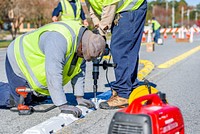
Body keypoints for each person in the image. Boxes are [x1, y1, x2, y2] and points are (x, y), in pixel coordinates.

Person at [0, 20, 106, 118]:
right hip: (18, 58)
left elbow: (79, 71)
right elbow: (53, 73)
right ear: (81, 47)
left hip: (33, 64)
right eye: (83, 54)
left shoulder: (83, 40)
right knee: (18, 100)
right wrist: (63, 105)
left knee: (38, 97)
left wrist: (79, 97)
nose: (82, 57)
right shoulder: (59, 40)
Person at [87, 0, 147, 109]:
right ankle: (130, 86)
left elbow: (110, 4)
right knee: (126, 48)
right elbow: (92, 7)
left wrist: (101, 31)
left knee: (121, 48)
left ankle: (124, 94)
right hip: (122, 9)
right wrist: (97, 26)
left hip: (130, 8)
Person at [52, 0, 89, 108]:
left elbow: (81, 13)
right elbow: (56, 10)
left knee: (78, 62)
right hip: (66, 32)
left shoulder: (77, 3)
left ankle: (78, 94)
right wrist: (55, 16)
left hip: (77, 31)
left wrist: (85, 20)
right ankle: (59, 96)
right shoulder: (63, 3)